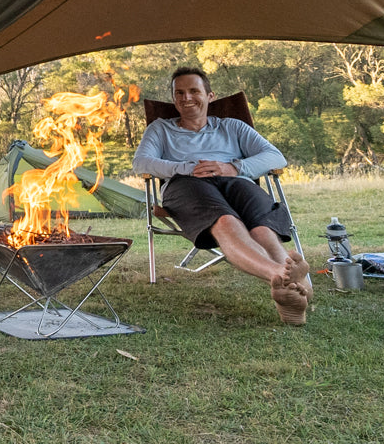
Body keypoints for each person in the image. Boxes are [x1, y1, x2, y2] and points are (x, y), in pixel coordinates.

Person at [132, 66, 311, 325]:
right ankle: (283, 275)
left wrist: (234, 167)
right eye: (179, 93)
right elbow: (141, 163)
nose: (186, 98)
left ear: (210, 96)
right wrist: (187, 168)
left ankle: (291, 291)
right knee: (226, 221)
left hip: (235, 180)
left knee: (262, 229)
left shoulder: (232, 127)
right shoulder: (161, 129)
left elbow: (275, 156)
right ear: (173, 99)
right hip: (186, 185)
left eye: (194, 91)